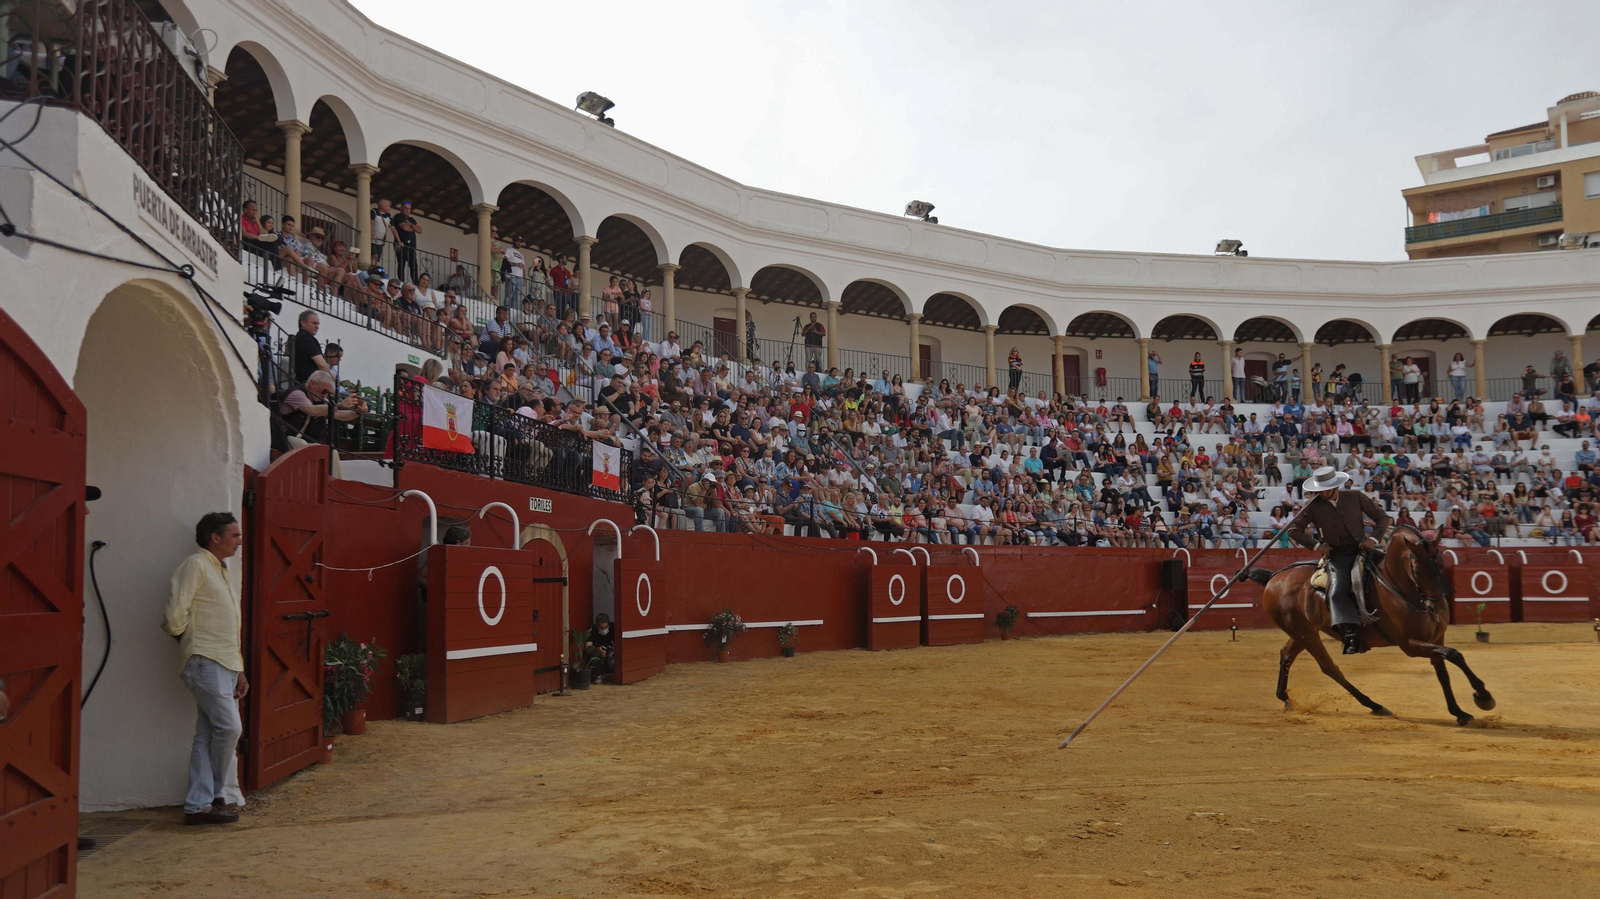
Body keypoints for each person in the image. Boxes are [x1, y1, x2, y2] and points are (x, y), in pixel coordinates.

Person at [163, 512, 248, 825]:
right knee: (230, 728)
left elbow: (227, 626)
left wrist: (238, 669)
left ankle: (198, 806)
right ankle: (212, 796)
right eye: (235, 535)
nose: (239, 541)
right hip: (205, 660)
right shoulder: (196, 565)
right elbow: (175, 614)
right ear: (216, 537)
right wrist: (190, 644)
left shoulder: (220, 569)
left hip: (222, 661)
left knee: (208, 734)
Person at [1286, 466, 1390, 655]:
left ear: (1336, 487)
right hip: (1338, 555)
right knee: (1337, 591)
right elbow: (1293, 530)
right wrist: (1318, 547)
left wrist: (1373, 539)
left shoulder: (1355, 496)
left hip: (1364, 550)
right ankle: (1350, 635)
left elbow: (1382, 517)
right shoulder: (1312, 505)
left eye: (1326, 489)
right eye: (1320, 490)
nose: (1322, 493)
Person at [292, 310, 330, 383]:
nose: (317, 327)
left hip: (300, 381)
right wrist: (330, 378)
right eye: (314, 323)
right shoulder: (307, 339)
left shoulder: (298, 338)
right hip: (311, 383)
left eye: (318, 324)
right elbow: (322, 365)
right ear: (303, 323)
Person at [391, 200, 422, 284]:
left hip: (411, 246)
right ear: (401, 208)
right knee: (401, 263)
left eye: (409, 209)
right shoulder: (398, 216)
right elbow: (405, 228)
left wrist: (411, 225)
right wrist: (413, 228)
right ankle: (401, 281)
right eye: (406, 208)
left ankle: (416, 282)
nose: (408, 210)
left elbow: (420, 230)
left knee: (414, 265)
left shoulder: (411, 219)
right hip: (400, 244)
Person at [582, 613, 616, 682]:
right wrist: (597, 649)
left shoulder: (613, 628)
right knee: (594, 657)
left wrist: (612, 651)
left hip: (611, 653)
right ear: (597, 626)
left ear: (608, 625)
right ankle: (596, 675)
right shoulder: (592, 630)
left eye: (606, 627)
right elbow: (587, 648)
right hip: (598, 654)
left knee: (611, 659)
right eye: (601, 628)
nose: (603, 629)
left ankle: (610, 675)